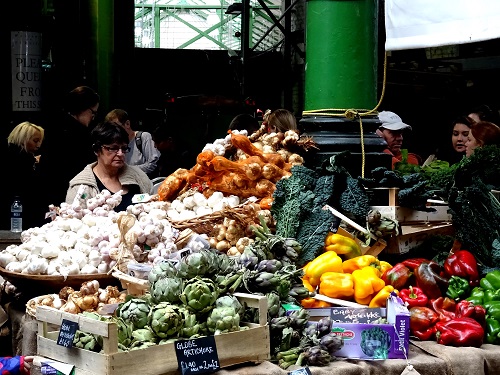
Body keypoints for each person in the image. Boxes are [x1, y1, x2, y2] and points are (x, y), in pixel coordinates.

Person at [66, 121, 152, 212]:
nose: (120, 153)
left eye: (124, 148)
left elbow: (154, 204)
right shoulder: (81, 187)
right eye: (113, 148)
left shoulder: (139, 176)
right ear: (96, 150)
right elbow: (72, 220)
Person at [38, 86, 100, 208]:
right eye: (93, 112)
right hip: (67, 194)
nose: (93, 117)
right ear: (82, 107)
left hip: (51, 193)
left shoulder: (54, 125)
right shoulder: (78, 134)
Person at [1, 122, 45, 229]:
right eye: (35, 141)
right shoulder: (22, 160)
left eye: (39, 141)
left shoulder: (20, 157)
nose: (38, 145)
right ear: (23, 139)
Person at [104, 109, 160, 178]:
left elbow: (153, 163)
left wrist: (128, 170)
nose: (116, 132)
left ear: (127, 124)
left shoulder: (143, 137)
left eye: (117, 127)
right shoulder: (116, 144)